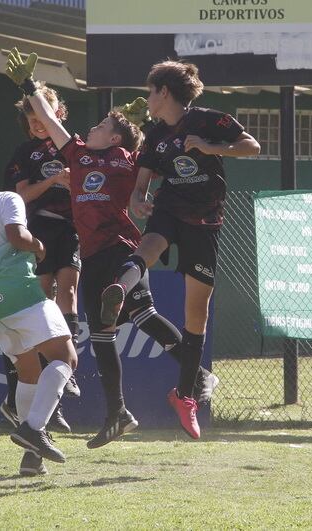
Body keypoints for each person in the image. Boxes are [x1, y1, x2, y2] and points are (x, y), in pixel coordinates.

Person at [5, 49, 219, 448]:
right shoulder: (78, 154)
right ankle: (117, 413)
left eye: (102, 124)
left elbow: (157, 154)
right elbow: (49, 120)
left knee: (143, 314)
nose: (94, 127)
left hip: (122, 249)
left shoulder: (128, 158)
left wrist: (138, 127)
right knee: (103, 337)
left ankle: (198, 375)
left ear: (116, 138)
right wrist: (28, 86)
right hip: (90, 256)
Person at [102, 60, 260, 439]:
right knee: (151, 243)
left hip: (206, 221)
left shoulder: (207, 120)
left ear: (165, 92)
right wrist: (138, 201)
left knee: (197, 314)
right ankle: (120, 289)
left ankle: (185, 395)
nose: (148, 97)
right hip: (170, 208)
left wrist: (209, 146)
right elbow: (142, 185)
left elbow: (251, 147)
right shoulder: (155, 135)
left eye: (151, 90)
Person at [0, 148, 77, 476]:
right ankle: (34, 429)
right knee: (65, 358)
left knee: (28, 372)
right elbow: (16, 236)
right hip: (20, 292)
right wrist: (38, 246)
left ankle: (31, 459)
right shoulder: (8, 199)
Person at [0, 87, 80, 434]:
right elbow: (21, 194)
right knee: (42, 303)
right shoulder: (25, 152)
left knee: (69, 293)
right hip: (40, 229)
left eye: (43, 116)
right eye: (32, 121)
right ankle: (42, 398)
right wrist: (53, 180)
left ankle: (66, 377)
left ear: (57, 113)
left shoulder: (73, 146)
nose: (38, 125)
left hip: (71, 229)